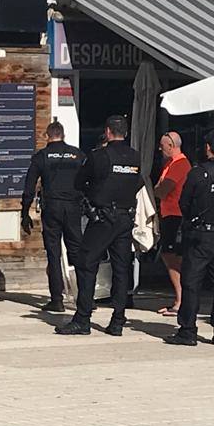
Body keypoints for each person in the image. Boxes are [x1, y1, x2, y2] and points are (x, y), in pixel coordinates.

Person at [58, 115, 142, 337]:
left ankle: (82, 319)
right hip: (125, 218)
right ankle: (118, 320)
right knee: (121, 269)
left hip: (103, 218)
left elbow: (80, 181)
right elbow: (138, 182)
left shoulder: (100, 156)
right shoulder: (135, 157)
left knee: (87, 265)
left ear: (107, 132)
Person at [163, 130, 214, 347]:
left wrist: (192, 222)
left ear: (208, 147)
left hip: (200, 234)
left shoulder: (199, 173)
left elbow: (184, 203)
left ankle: (187, 331)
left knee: (191, 282)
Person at [21, 121, 86, 312]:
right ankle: (84, 297)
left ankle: (57, 299)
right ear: (63, 135)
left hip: (52, 208)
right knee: (77, 252)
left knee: (54, 253)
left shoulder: (41, 156)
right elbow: (90, 178)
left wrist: (25, 212)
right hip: (73, 207)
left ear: (47, 136)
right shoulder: (78, 155)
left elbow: (29, 187)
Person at [154, 131, 192, 317]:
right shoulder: (169, 164)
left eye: (162, 145)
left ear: (171, 146)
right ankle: (180, 299)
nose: (160, 149)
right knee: (169, 256)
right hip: (169, 214)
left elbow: (162, 190)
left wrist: (158, 190)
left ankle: (181, 300)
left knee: (172, 257)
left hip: (176, 215)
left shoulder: (180, 164)